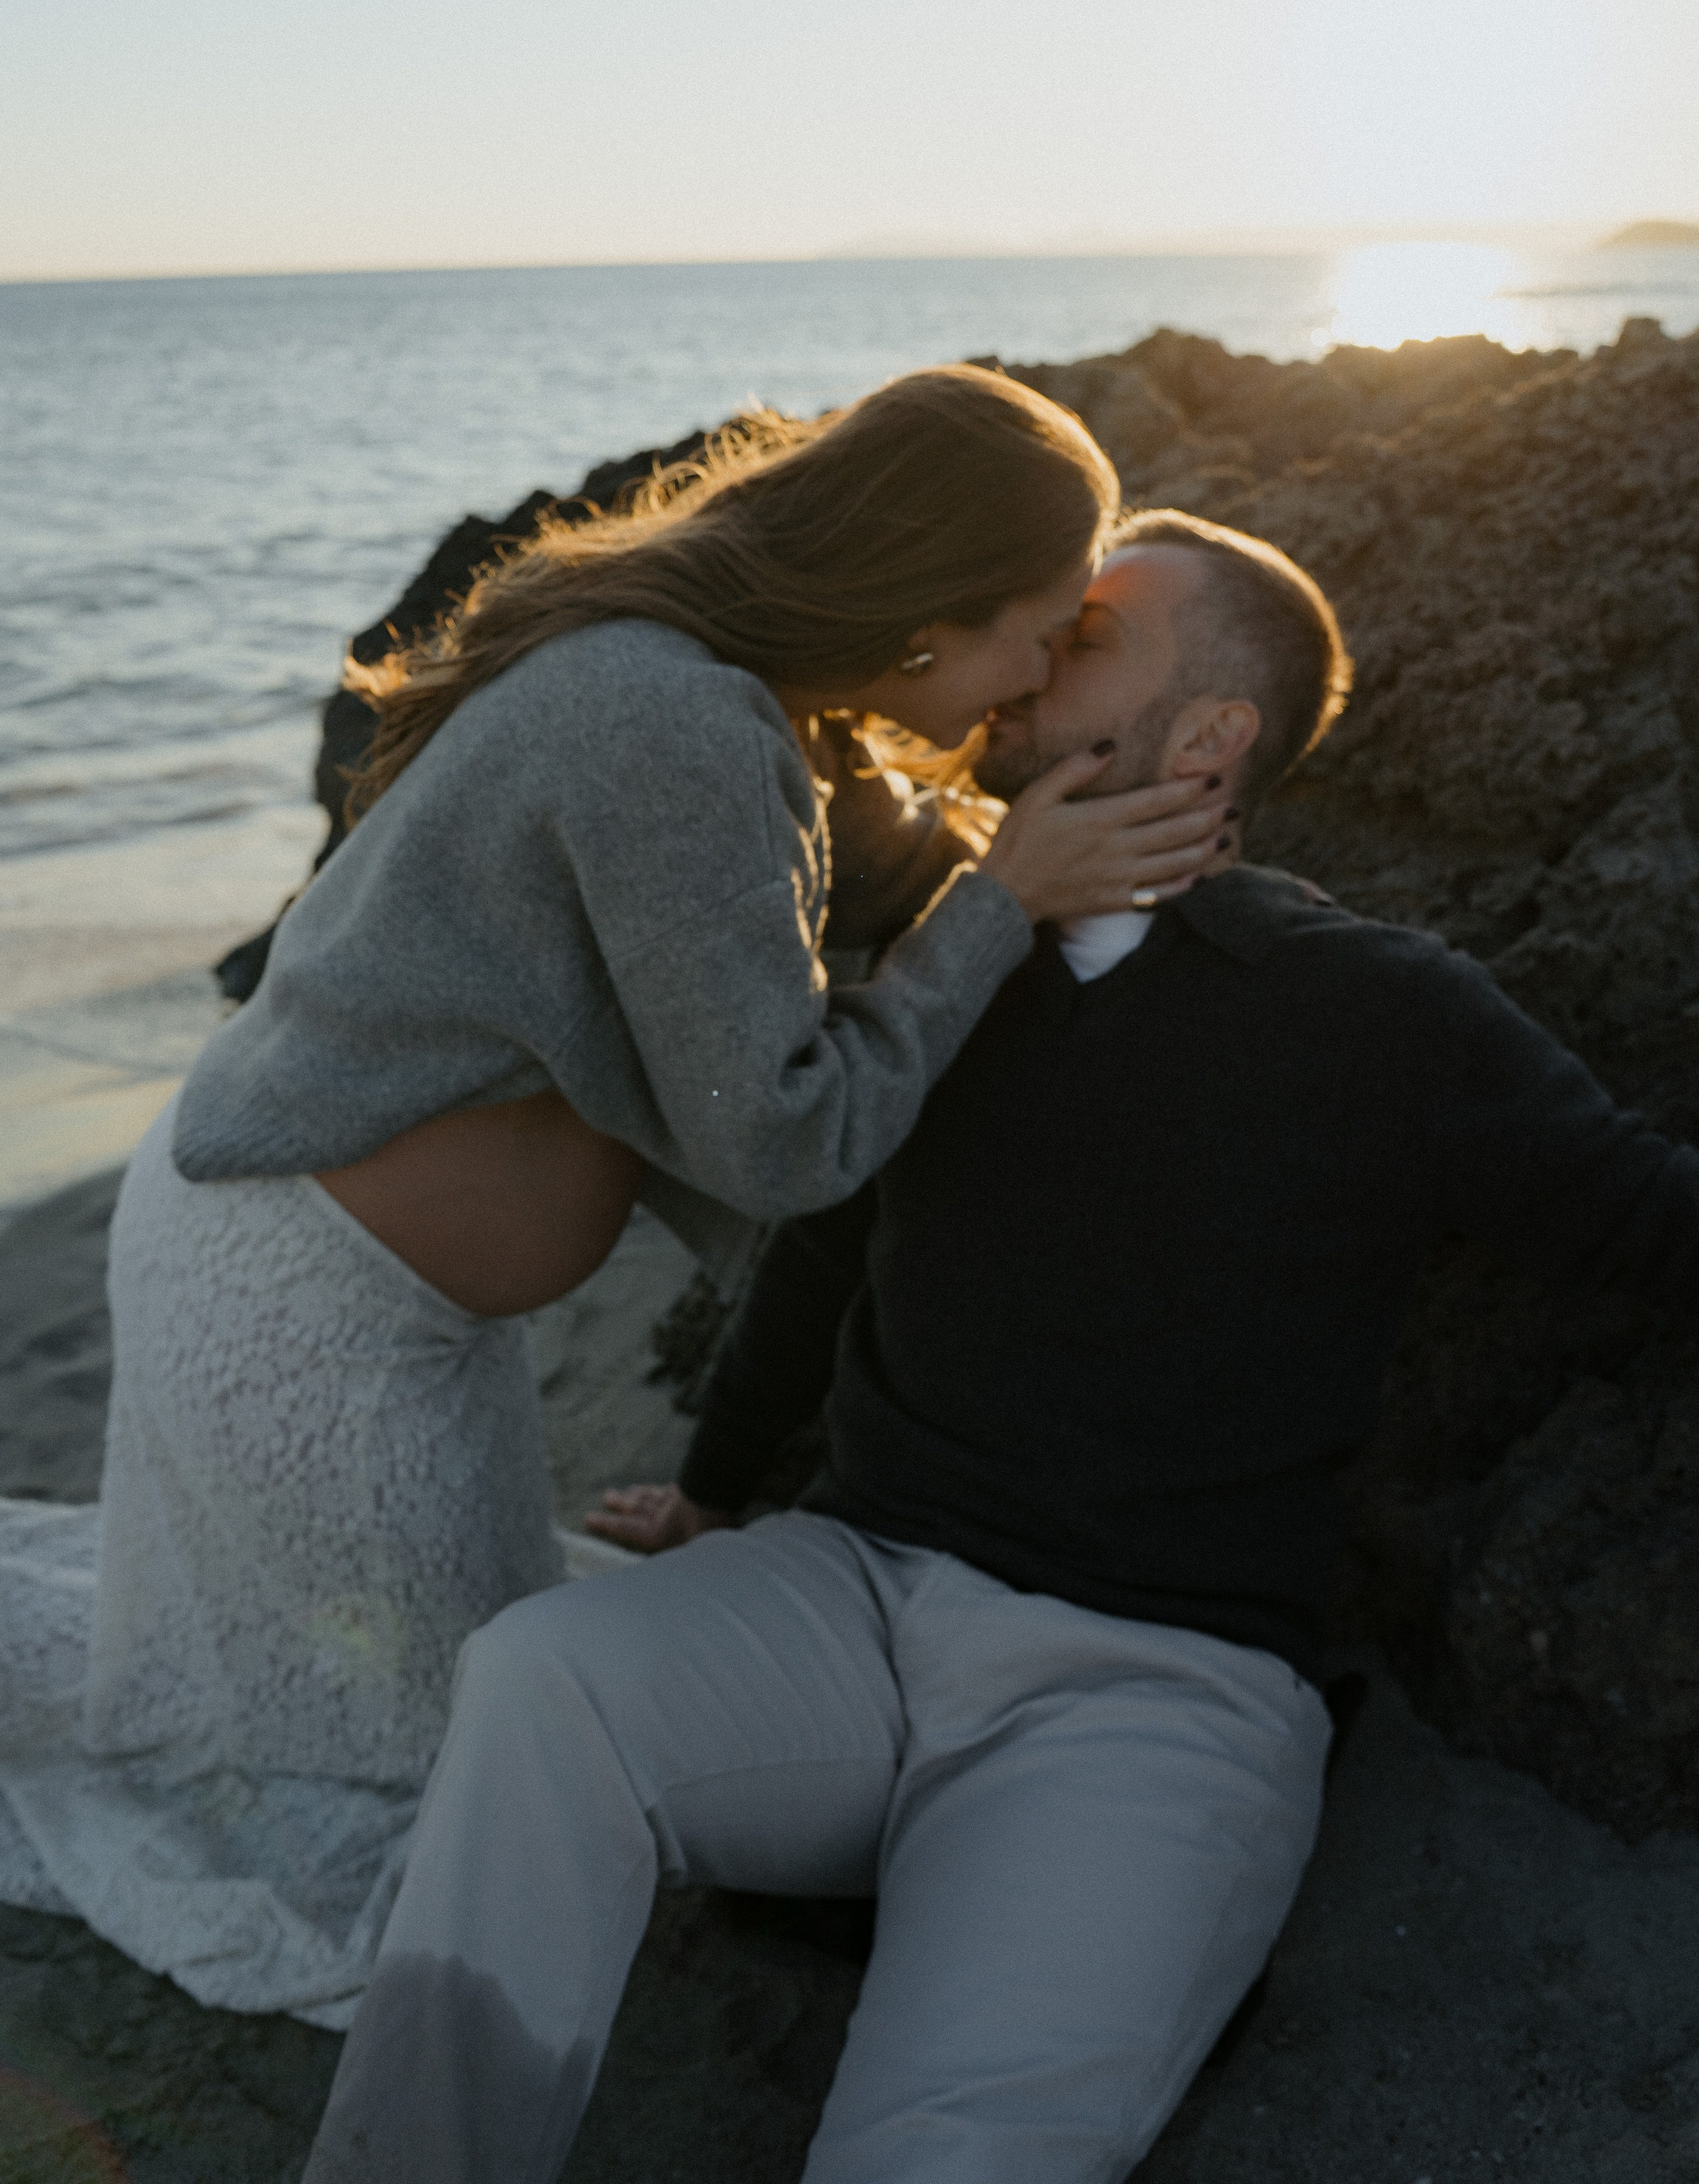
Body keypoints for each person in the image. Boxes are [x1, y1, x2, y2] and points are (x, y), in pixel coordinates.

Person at [301, 509, 1699, 2183]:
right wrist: (714, 1491)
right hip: (847, 1604)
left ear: (1208, 737)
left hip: (1151, 1691)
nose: (1029, 660)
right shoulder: (953, 966)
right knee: (542, 1679)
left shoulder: (1383, 1013)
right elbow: (822, 1253)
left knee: (948, 2149)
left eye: (1085, 639)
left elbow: (1641, 1217)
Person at [0, 368, 1230, 2028]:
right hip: (296, 1317)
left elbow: (875, 877)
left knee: (505, 1712)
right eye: (1039, 633)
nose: (1034, 678)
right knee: (429, 1834)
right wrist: (1005, 906)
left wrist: (1063, 865)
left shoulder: (763, 705)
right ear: (927, 617)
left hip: (391, 1318)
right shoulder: (665, 719)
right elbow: (781, 1142)